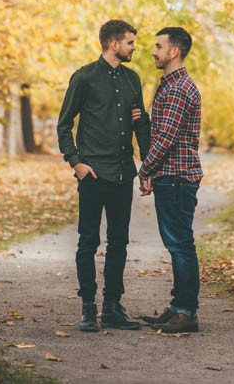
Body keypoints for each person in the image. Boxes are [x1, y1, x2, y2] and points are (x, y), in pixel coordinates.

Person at [57, 19, 150, 333]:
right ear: (114, 44)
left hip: (124, 173)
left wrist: (147, 165)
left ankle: (112, 308)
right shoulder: (84, 77)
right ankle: (88, 308)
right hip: (93, 174)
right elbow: (64, 124)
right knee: (88, 241)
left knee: (119, 242)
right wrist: (76, 163)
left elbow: (140, 126)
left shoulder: (133, 79)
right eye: (131, 43)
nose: (134, 48)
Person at [138, 26, 202, 334]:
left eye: (159, 46)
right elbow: (160, 131)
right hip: (172, 175)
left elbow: (165, 139)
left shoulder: (178, 89)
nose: (154, 50)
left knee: (180, 245)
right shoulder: (170, 86)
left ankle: (186, 313)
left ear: (173, 51)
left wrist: (145, 170)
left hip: (176, 177)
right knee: (178, 243)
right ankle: (178, 308)